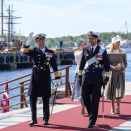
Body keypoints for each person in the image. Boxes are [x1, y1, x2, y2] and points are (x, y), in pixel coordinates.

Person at [23, 32, 60, 126]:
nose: (41, 42)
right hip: (35, 75)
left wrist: (57, 77)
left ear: (44, 41)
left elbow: (54, 65)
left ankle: (45, 119)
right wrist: (28, 42)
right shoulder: (34, 51)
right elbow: (25, 52)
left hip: (45, 76)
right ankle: (33, 119)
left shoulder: (50, 52)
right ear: (36, 42)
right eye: (39, 41)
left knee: (45, 98)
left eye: (42, 40)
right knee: (32, 97)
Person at [78, 31, 110, 128]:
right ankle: (92, 112)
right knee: (85, 97)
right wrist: (80, 77)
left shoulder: (102, 51)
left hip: (97, 80)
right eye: (89, 38)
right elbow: (82, 65)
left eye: (92, 38)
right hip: (86, 78)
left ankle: (92, 120)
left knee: (95, 100)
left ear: (96, 39)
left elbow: (107, 67)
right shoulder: (85, 49)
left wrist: (107, 78)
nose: (90, 40)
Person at [105, 35, 127, 114]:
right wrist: (113, 68)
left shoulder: (123, 51)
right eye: (117, 42)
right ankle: (112, 106)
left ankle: (118, 107)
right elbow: (106, 64)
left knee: (119, 90)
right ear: (113, 43)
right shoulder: (108, 52)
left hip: (120, 73)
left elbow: (125, 63)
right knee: (112, 90)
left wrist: (124, 68)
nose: (119, 43)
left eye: (119, 42)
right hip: (112, 72)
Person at [71, 39, 85, 116]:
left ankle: (86, 107)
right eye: (82, 44)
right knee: (81, 92)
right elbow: (80, 55)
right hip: (79, 73)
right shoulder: (77, 52)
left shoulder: (86, 52)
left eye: (84, 44)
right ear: (78, 45)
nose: (83, 46)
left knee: (87, 92)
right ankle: (82, 107)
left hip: (86, 72)